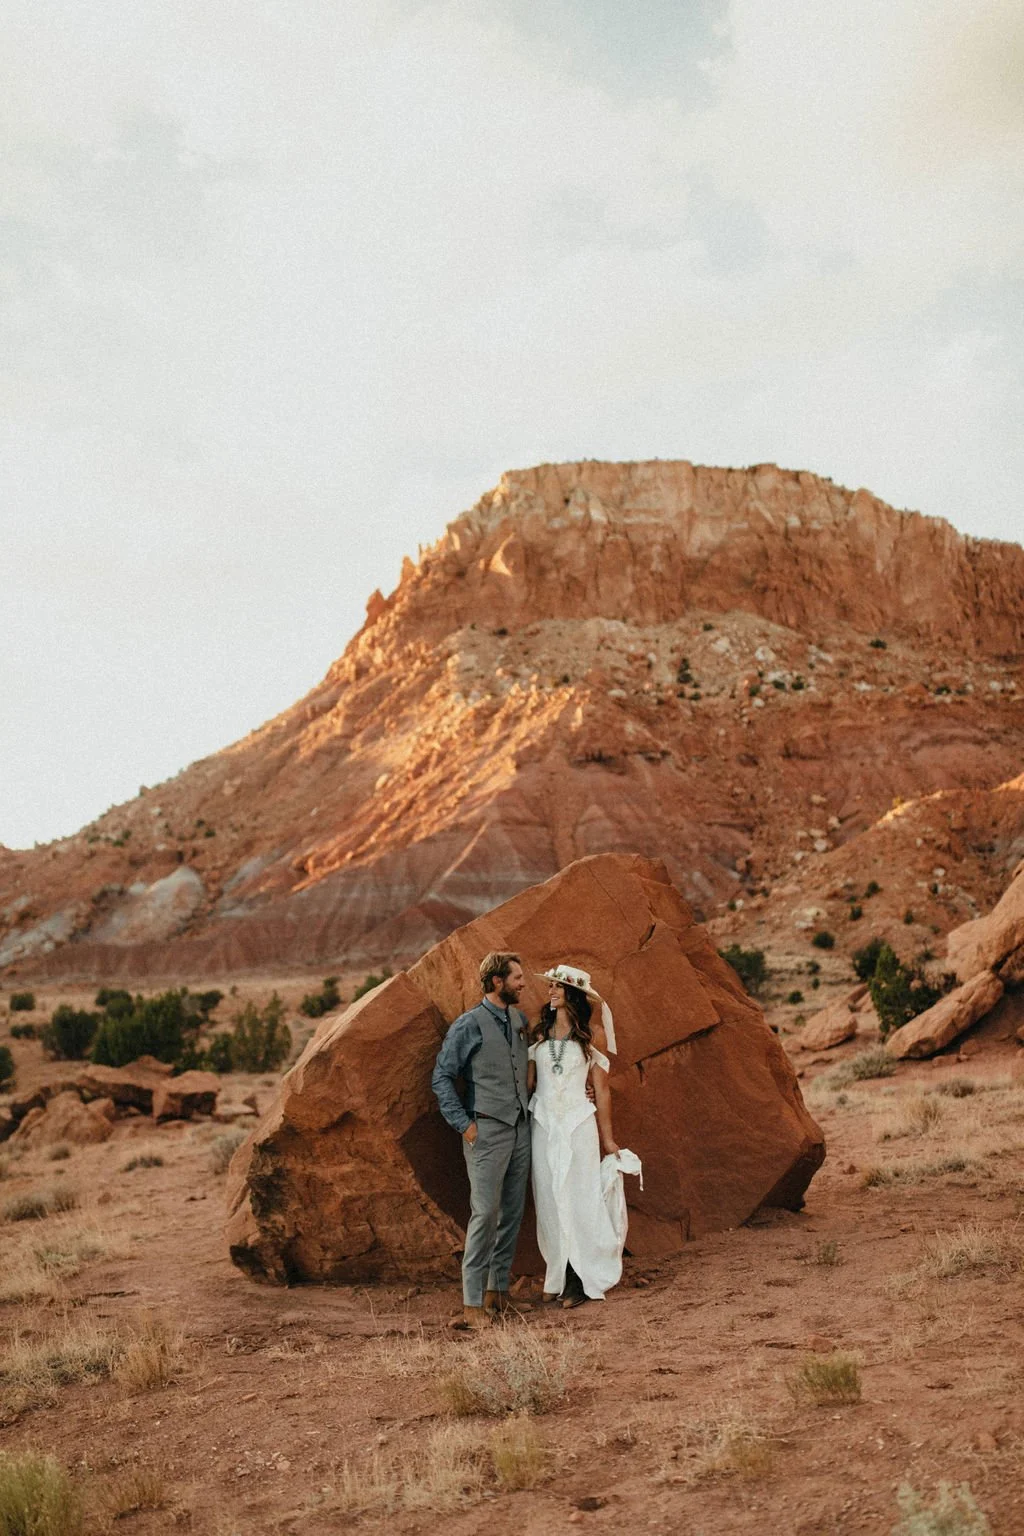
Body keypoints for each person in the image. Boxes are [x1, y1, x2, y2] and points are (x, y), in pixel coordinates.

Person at [431, 951, 532, 1328]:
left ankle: (497, 1292)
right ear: (496, 982)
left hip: (521, 1127)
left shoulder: (520, 1019)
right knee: (485, 1213)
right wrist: (465, 1125)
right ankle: (472, 1305)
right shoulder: (468, 1025)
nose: (524, 983)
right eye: (517, 977)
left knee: (513, 1211)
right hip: (485, 1130)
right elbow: (442, 1077)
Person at [528, 963, 625, 1308]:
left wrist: (608, 1140)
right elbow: (529, 1083)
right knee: (549, 1198)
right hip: (543, 1123)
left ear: (572, 994)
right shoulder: (538, 1032)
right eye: (550, 987)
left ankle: (578, 1278)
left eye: (556, 987)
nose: (550, 992)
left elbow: (602, 1091)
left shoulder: (592, 1034)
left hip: (578, 1123)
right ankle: (556, 1273)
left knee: (579, 1196)